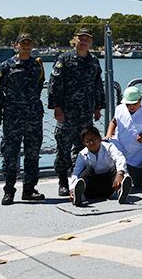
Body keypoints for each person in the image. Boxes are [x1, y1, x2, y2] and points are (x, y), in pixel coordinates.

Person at [48, 28, 106, 197]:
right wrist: (56, 107)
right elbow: (54, 84)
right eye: (81, 39)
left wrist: (98, 107)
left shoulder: (94, 61)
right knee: (63, 149)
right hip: (67, 113)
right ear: (75, 40)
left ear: (90, 42)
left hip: (86, 113)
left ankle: (79, 180)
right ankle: (63, 182)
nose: (83, 42)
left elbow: (97, 85)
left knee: (82, 149)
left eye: (87, 39)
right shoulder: (64, 59)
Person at [0, 33, 45, 205]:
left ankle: (29, 190)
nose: (26, 47)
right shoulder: (6, 66)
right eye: (23, 44)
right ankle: (9, 191)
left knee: (33, 153)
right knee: (10, 154)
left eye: (29, 44)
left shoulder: (37, 66)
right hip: (13, 118)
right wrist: (9, 106)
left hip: (34, 116)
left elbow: (39, 87)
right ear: (16, 45)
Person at [69, 125, 132, 207]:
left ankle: (120, 192)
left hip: (110, 184)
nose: (91, 143)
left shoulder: (109, 147)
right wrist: (72, 189)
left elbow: (120, 158)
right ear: (84, 143)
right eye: (87, 141)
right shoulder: (82, 154)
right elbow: (76, 172)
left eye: (93, 139)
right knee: (87, 170)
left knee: (116, 169)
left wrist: (120, 174)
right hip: (92, 186)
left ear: (99, 138)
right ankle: (79, 196)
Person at [106, 86, 142, 190]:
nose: (131, 106)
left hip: (137, 154)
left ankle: (125, 183)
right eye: (128, 104)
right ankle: (118, 186)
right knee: (117, 167)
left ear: (140, 100)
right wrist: (109, 133)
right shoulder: (120, 109)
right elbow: (114, 121)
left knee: (138, 181)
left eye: (134, 104)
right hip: (120, 147)